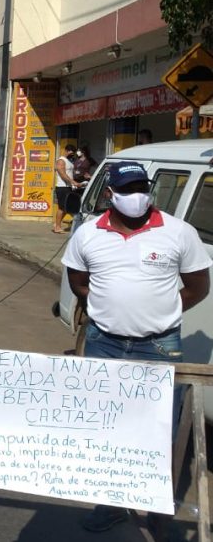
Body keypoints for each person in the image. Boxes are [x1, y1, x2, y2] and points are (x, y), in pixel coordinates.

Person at [62, 161, 211, 533]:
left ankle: (157, 509)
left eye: (142, 188)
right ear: (110, 194)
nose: (136, 197)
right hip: (104, 344)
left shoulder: (179, 233)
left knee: (159, 432)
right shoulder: (88, 234)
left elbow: (197, 286)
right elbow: (79, 281)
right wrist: (110, 306)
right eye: (127, 190)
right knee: (106, 427)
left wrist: (160, 311)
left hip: (158, 348)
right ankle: (109, 504)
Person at [52, 144, 82, 234]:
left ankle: (57, 224)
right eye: (70, 152)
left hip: (68, 187)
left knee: (66, 207)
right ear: (66, 150)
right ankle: (57, 227)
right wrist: (73, 182)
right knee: (62, 207)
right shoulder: (61, 161)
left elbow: (69, 173)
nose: (71, 154)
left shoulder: (68, 161)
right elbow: (63, 174)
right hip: (62, 187)